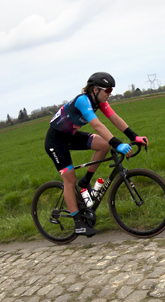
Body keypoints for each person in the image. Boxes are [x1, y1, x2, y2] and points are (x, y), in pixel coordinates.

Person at [44, 72, 148, 236]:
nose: (109, 94)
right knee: (69, 180)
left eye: (111, 90)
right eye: (107, 90)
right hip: (55, 141)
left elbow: (115, 118)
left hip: (70, 136)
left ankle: (85, 181)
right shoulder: (82, 101)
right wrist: (119, 144)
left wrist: (134, 136)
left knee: (104, 145)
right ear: (95, 89)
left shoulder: (100, 102)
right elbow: (97, 125)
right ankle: (78, 223)